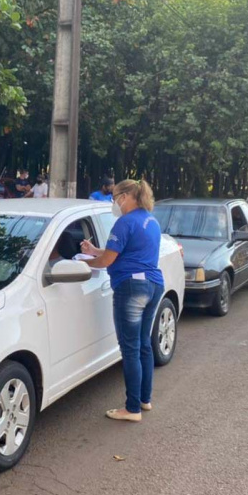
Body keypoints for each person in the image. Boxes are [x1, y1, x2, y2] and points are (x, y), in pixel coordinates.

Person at [79, 180, 164, 422]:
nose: (114, 203)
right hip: (154, 284)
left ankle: (132, 408)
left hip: (131, 288)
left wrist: (83, 261)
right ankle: (144, 400)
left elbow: (107, 262)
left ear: (127, 196)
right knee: (143, 344)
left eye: (116, 197)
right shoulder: (150, 220)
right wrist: (94, 250)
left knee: (130, 349)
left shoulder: (124, 222)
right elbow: (122, 253)